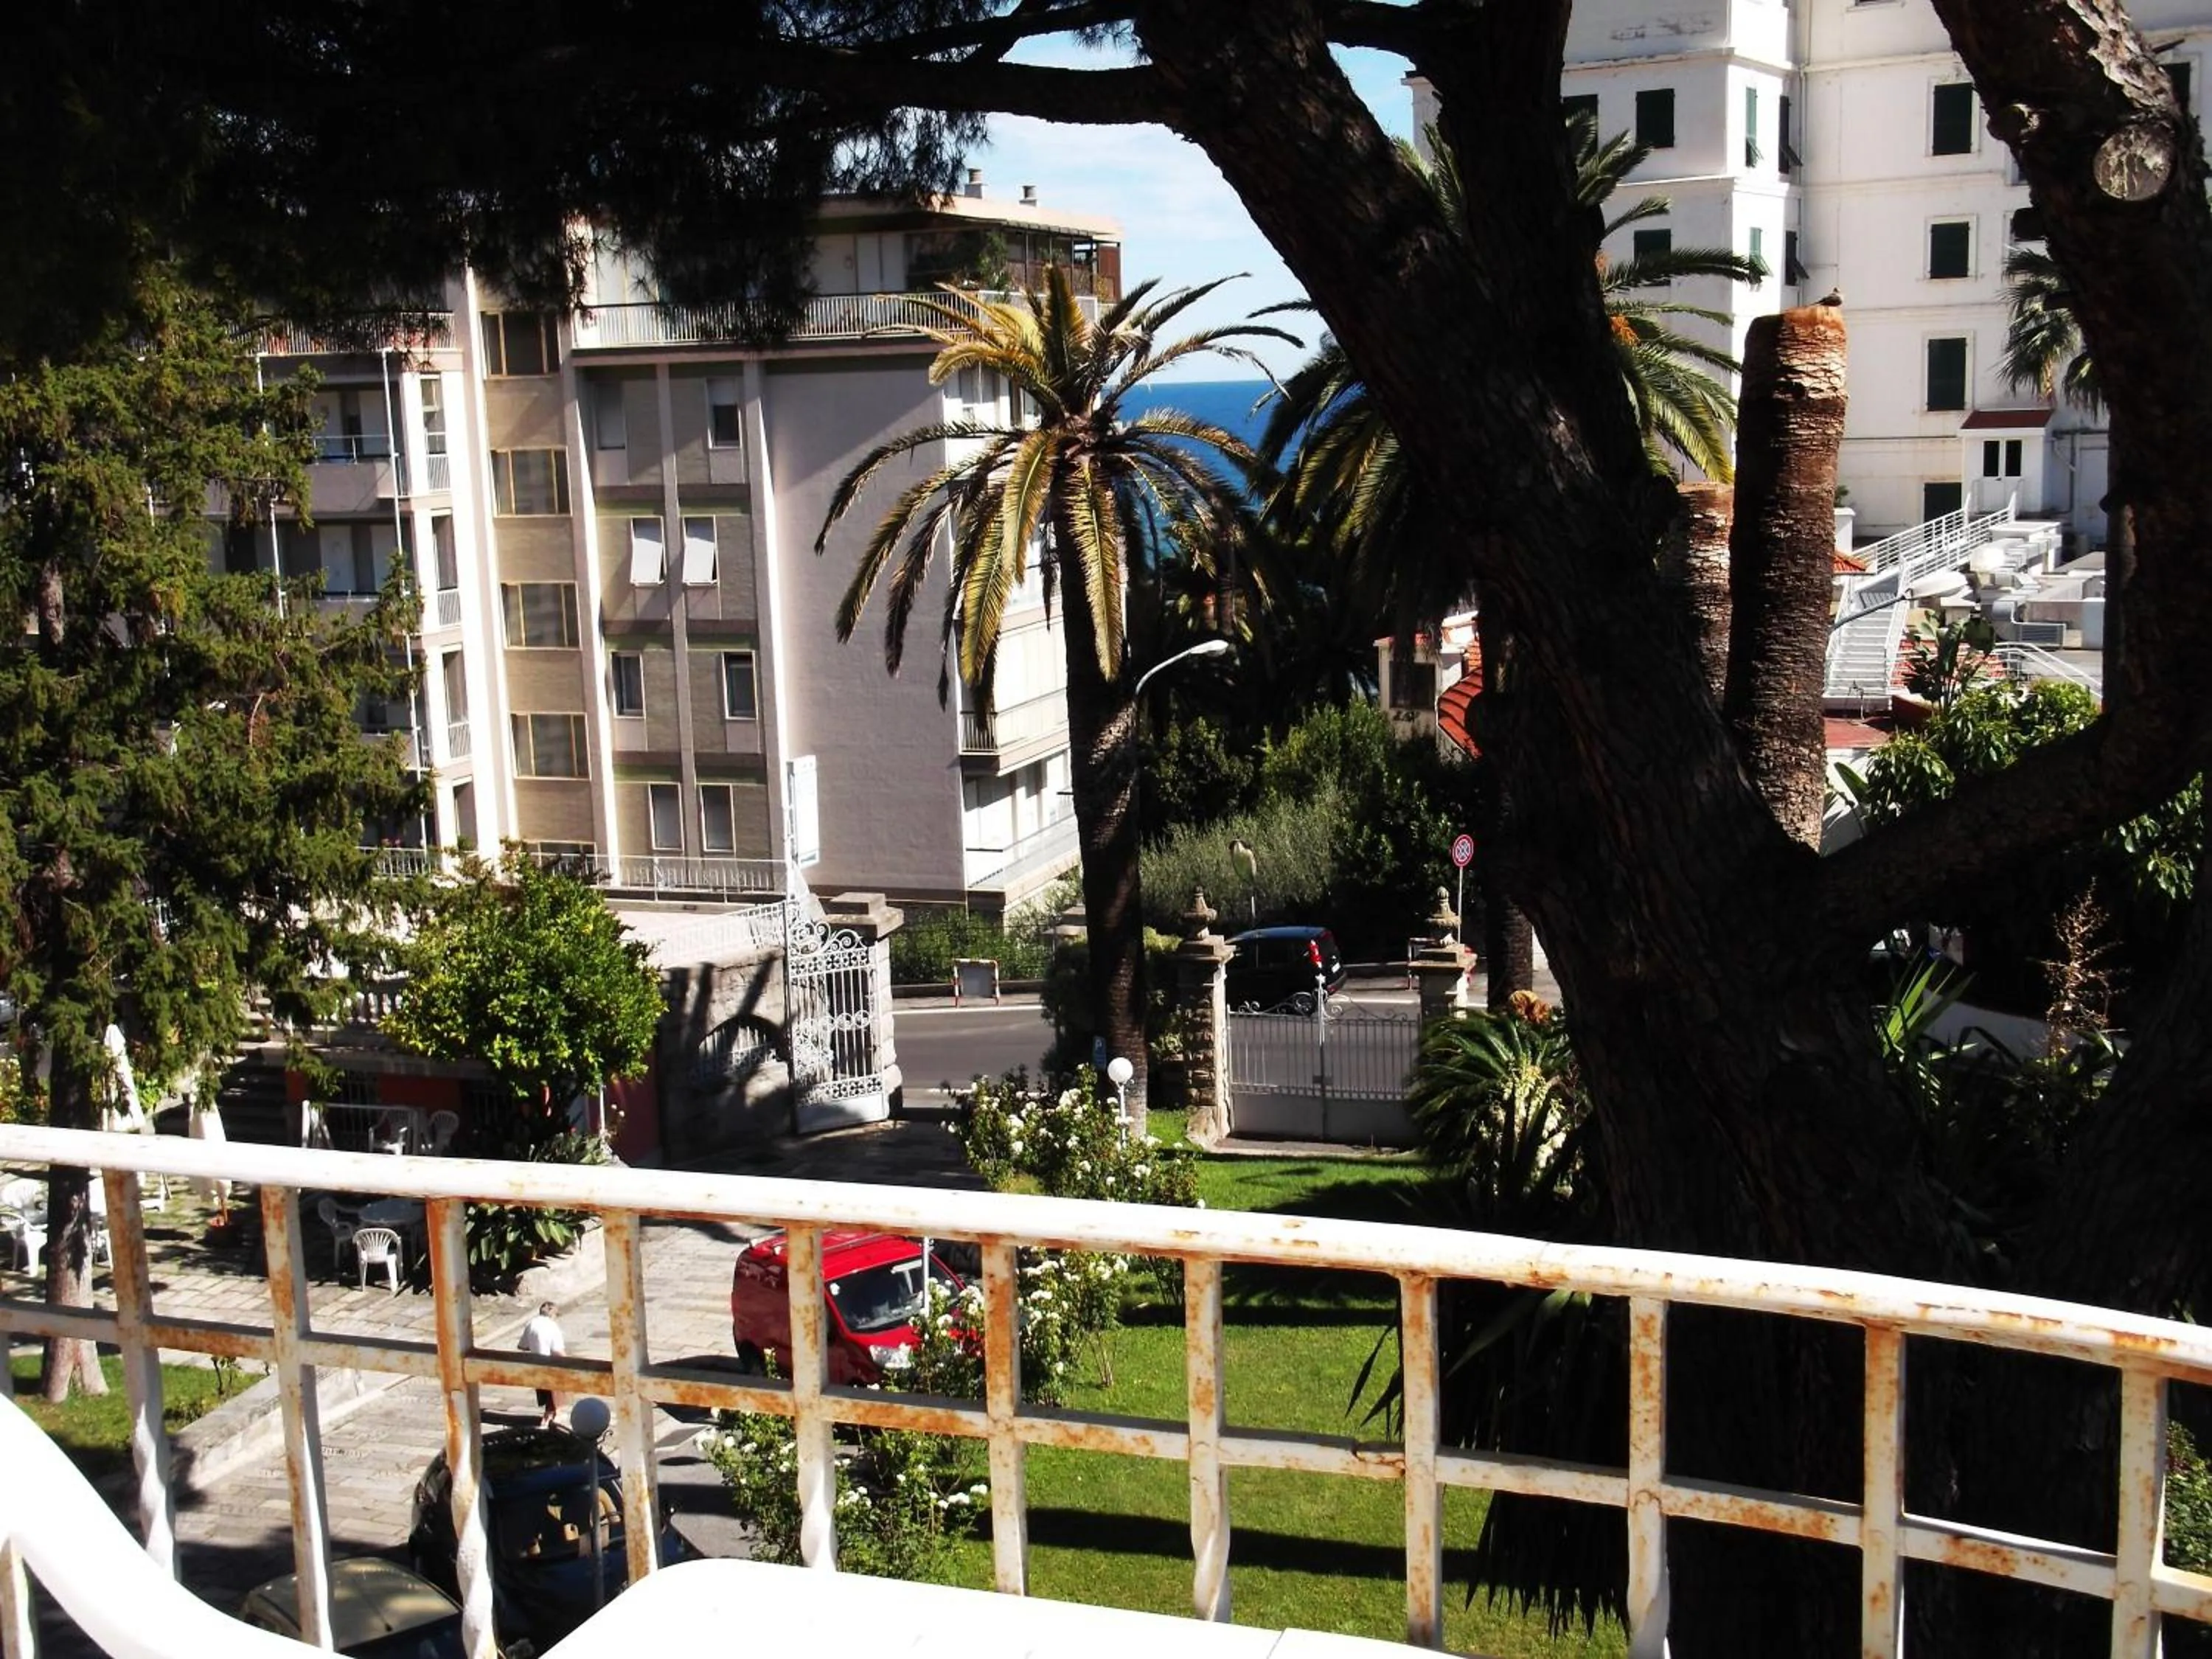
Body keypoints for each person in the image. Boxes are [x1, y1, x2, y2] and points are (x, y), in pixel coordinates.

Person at [519, 1301, 566, 1428]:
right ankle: (551, 1419)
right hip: (549, 1364)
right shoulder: (552, 1326)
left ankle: (551, 1416)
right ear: (553, 1314)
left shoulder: (531, 1323)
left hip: (535, 1365)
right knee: (556, 1392)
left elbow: (522, 1346)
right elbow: (558, 1351)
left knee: (546, 1395)